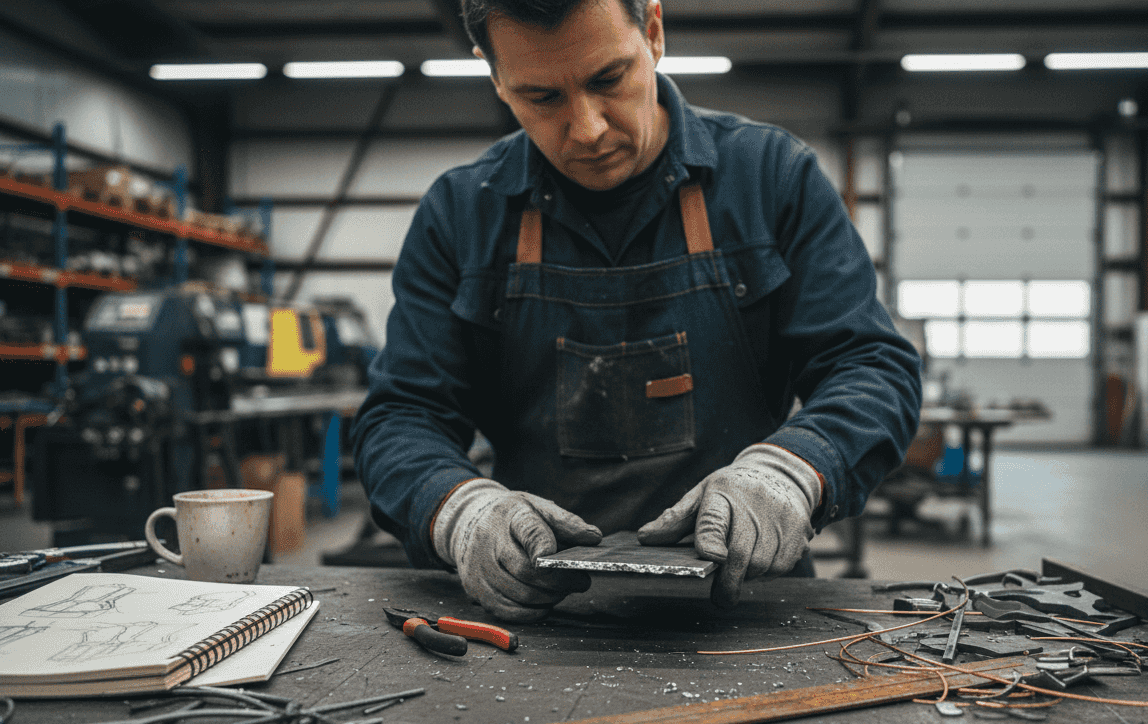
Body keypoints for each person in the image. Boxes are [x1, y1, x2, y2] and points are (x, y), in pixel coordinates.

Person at [352, 0, 922, 622]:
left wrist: (789, 474)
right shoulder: (461, 215)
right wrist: (461, 511)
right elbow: (402, 415)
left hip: (746, 609)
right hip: (537, 619)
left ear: (652, 31)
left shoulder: (770, 179)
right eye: (542, 97)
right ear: (494, 76)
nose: (588, 129)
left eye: (608, 79)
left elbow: (871, 367)